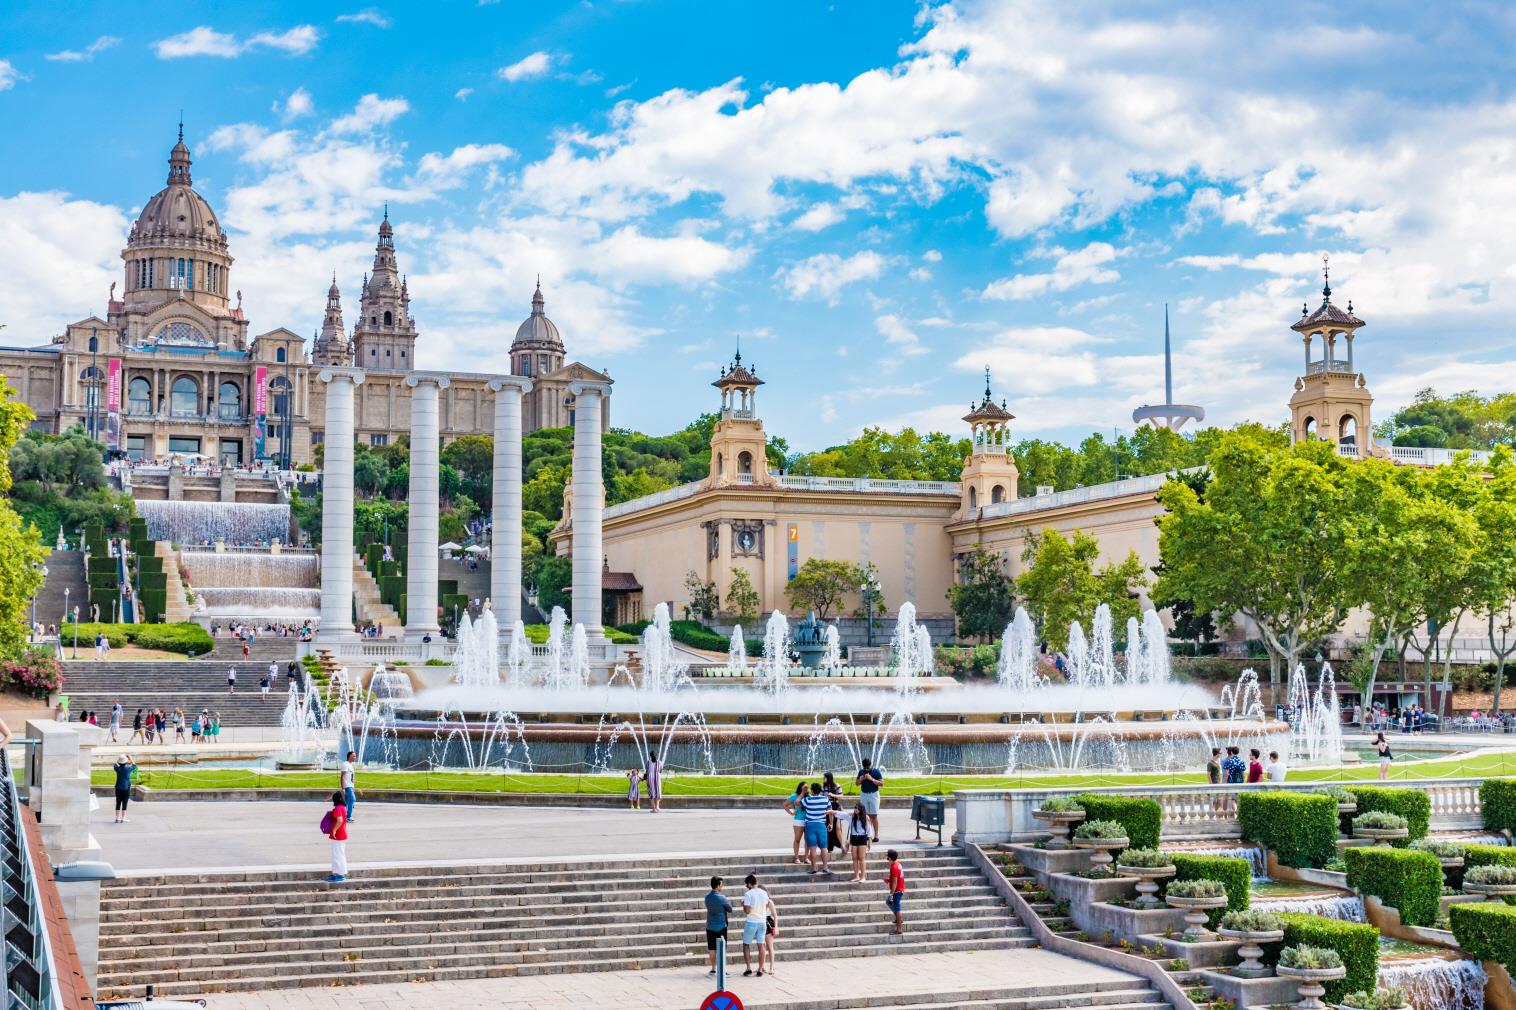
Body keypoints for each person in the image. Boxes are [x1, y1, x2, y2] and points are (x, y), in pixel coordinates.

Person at [740, 873, 770, 977]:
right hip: (762, 921)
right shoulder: (764, 893)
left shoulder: (748, 894)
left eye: (746, 885)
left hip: (751, 921)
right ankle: (760, 969)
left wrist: (743, 904)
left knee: (746, 944)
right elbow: (766, 907)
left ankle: (748, 968)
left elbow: (747, 911)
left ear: (749, 884)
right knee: (761, 945)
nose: (746, 887)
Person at [800, 781, 833, 874]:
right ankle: (825, 867)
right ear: (820, 790)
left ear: (812, 791)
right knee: (824, 847)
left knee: (812, 848)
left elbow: (797, 803)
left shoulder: (807, 800)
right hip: (821, 825)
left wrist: (803, 792)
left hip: (810, 825)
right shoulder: (825, 799)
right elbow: (830, 812)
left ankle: (814, 868)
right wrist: (831, 824)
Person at [704, 876, 733, 976]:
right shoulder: (722, 898)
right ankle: (722, 970)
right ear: (718, 886)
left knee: (712, 949)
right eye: (721, 884)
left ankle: (713, 969)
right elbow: (730, 909)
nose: (722, 886)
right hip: (721, 926)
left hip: (710, 926)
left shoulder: (707, 897)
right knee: (722, 949)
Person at [856, 758, 884, 842]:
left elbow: (882, 783)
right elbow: (857, 784)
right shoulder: (861, 772)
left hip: (874, 794)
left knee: (874, 815)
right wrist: (861, 779)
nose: (867, 769)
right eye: (865, 768)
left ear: (871, 765)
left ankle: (876, 835)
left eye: (868, 767)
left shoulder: (876, 771)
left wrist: (871, 779)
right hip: (864, 794)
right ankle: (868, 835)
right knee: (865, 815)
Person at [324, 790, 349, 883]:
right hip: (340, 834)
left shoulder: (338, 808)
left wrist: (334, 830)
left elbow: (340, 820)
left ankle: (341, 874)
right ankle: (335, 873)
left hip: (338, 834)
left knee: (338, 855)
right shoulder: (343, 807)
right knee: (336, 854)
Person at [783, 780, 808, 863]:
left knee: (808, 840)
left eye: (807, 787)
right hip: (799, 820)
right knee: (797, 839)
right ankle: (796, 857)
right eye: (804, 787)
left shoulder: (809, 796)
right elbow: (785, 804)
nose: (806, 789)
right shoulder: (795, 796)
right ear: (800, 788)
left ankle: (806, 857)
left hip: (808, 820)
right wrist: (791, 813)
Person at [848, 800, 872, 882]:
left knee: (861, 858)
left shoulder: (865, 818)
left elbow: (869, 831)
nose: (855, 810)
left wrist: (869, 842)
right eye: (855, 808)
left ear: (861, 809)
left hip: (862, 838)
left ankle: (863, 877)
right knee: (854, 858)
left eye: (857, 808)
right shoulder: (852, 817)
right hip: (854, 838)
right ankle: (856, 876)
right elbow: (842, 815)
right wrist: (833, 811)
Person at [885, 848, 906, 935]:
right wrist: (888, 880)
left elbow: (895, 882)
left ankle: (899, 929)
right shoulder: (898, 864)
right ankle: (899, 919)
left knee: (897, 908)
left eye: (887, 857)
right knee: (888, 902)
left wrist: (891, 894)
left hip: (897, 891)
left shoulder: (894, 867)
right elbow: (895, 879)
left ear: (890, 858)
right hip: (899, 889)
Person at [112, 754, 136, 823]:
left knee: (118, 803)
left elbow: (115, 764)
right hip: (126, 788)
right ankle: (123, 818)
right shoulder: (128, 768)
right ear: (126, 762)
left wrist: (120, 758)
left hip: (118, 788)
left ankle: (117, 818)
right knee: (125, 803)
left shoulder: (117, 769)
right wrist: (130, 757)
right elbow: (134, 765)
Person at [341, 750, 357, 822]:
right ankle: (348, 816)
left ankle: (343, 815)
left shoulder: (350, 765)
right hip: (347, 786)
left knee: (347, 801)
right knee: (353, 799)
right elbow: (342, 777)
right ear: (349, 756)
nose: (355, 757)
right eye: (354, 756)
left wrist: (353, 787)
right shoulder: (345, 764)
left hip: (350, 786)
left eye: (355, 756)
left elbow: (352, 777)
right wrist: (343, 788)